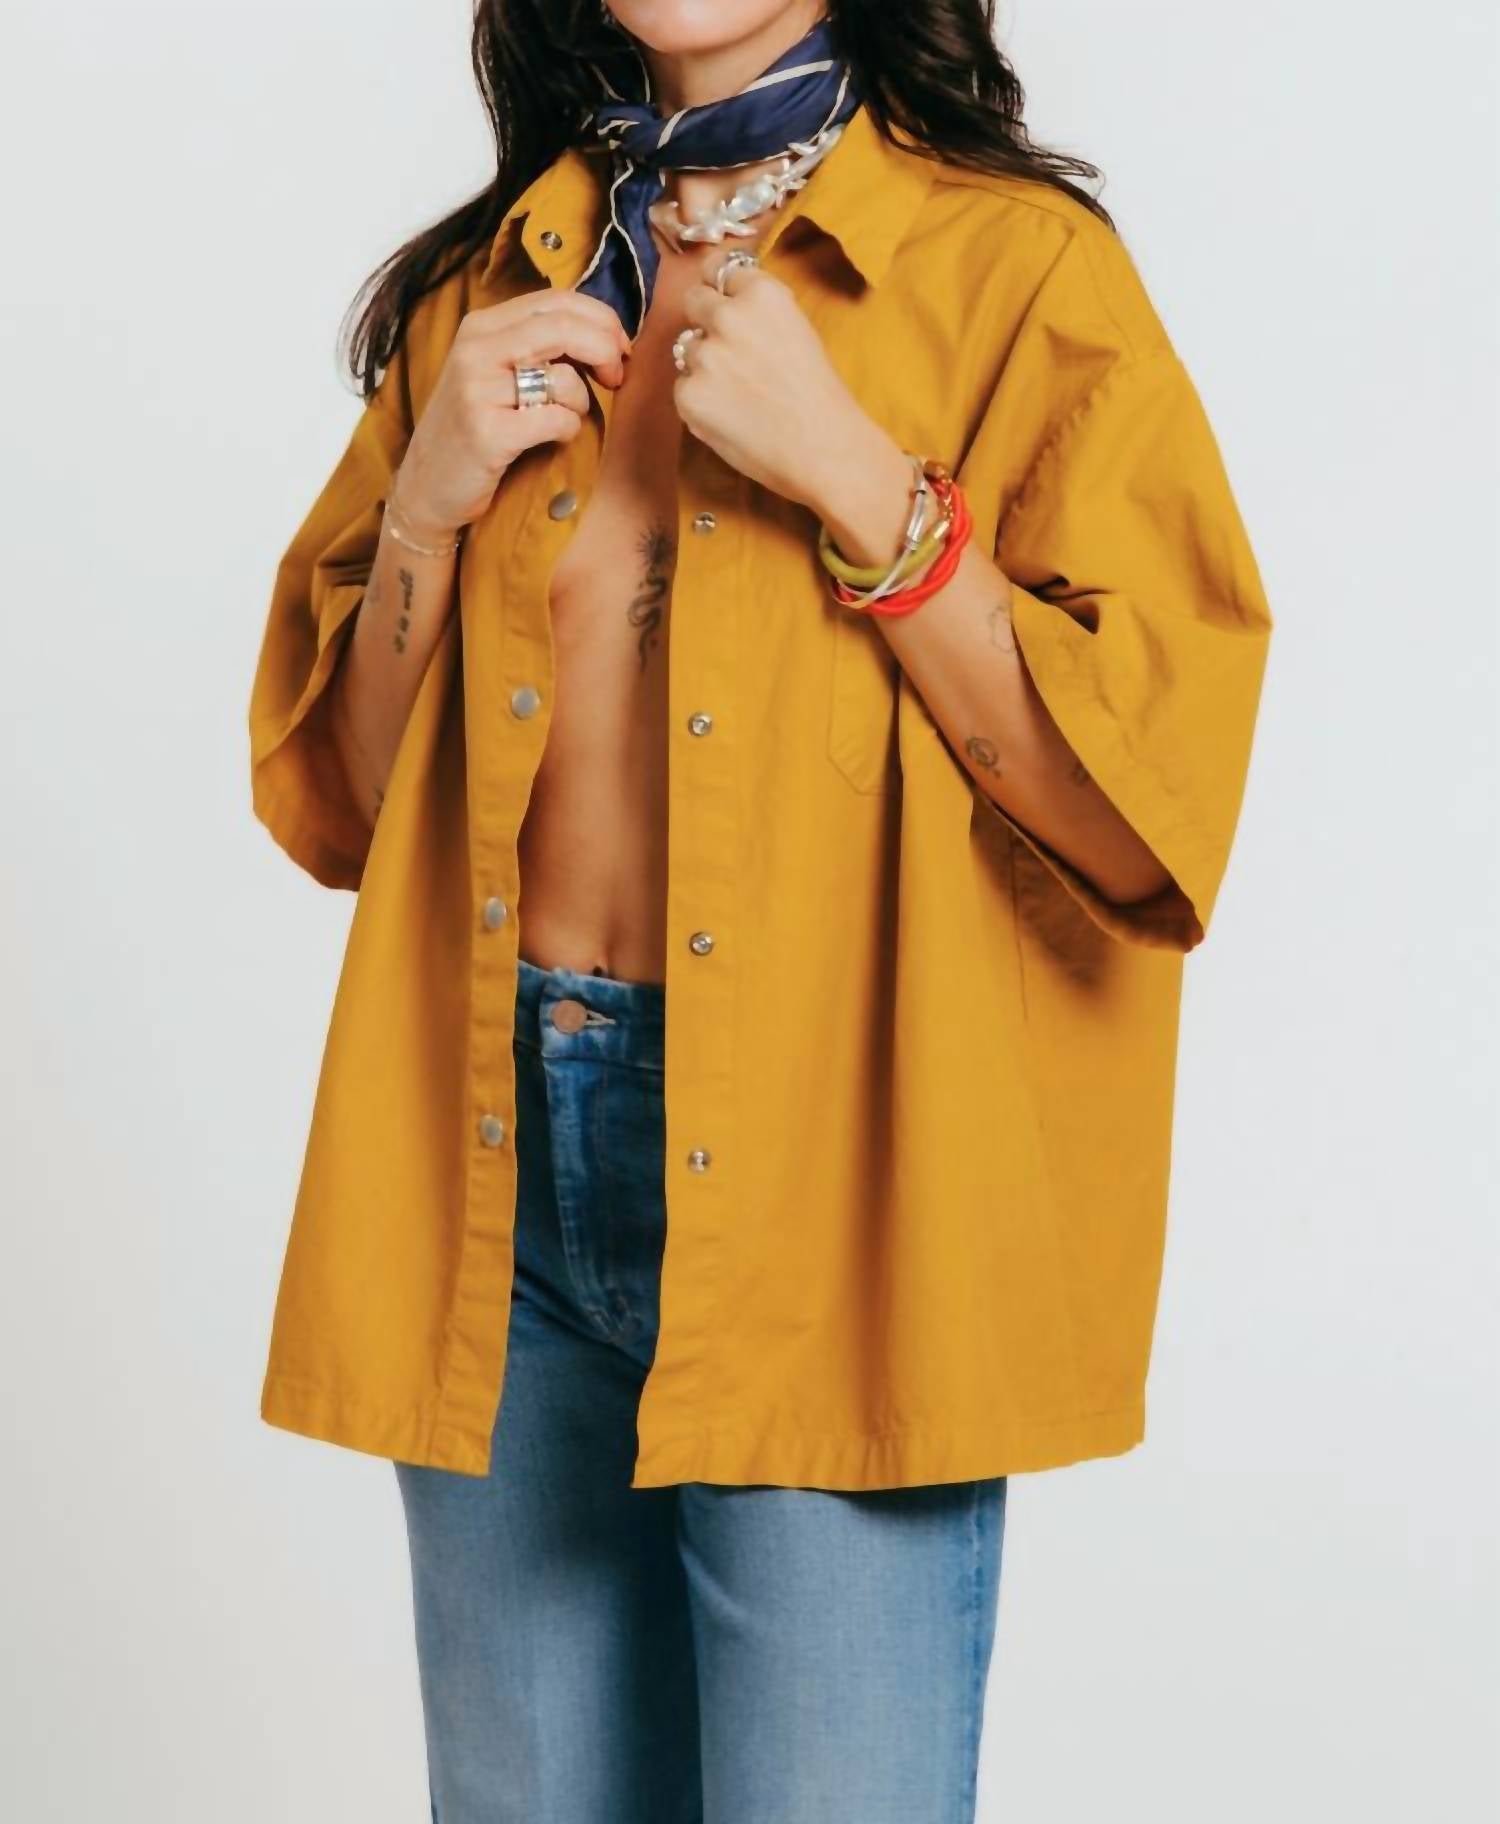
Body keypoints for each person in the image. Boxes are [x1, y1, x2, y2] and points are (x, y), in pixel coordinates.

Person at [246, 1, 1273, 1817]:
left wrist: (863, 481)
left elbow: (1147, 830)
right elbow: (340, 806)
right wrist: (421, 511)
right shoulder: (496, 284)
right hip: (499, 1187)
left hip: (839, 1191)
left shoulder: (1016, 273)